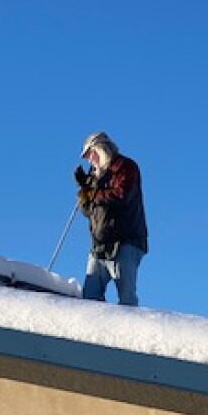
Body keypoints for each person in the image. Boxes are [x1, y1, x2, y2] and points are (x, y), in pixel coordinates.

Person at [74, 131, 148, 306]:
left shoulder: (126, 167)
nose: (89, 160)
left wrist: (94, 193)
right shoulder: (95, 176)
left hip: (126, 242)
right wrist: (84, 191)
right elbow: (87, 211)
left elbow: (120, 195)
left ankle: (129, 330)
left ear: (100, 149)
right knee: (90, 296)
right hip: (99, 244)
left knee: (126, 298)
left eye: (89, 154)